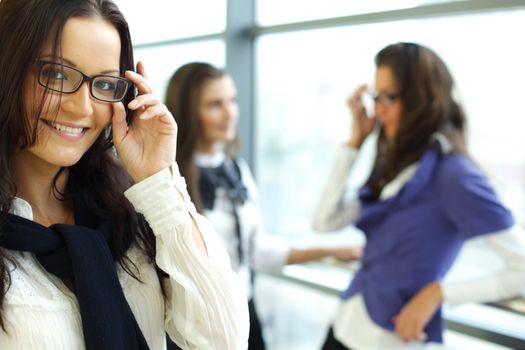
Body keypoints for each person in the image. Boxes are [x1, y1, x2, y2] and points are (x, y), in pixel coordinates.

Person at [0, 1, 249, 349]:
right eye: (56, 74)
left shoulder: (126, 213)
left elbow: (223, 340)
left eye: (103, 84)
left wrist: (158, 179)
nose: (82, 107)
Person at [312, 42, 525, 349]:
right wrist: (355, 142)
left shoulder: (454, 174)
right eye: (376, 96)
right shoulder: (399, 165)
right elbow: (324, 221)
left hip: (390, 338)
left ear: (422, 99)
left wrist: (438, 293)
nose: (379, 108)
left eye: (390, 97)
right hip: (345, 324)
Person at [164, 62, 363, 349]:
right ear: (188, 112)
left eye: (232, 100)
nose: (230, 113)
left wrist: (333, 251)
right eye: (215, 104)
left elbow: (256, 251)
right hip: (190, 324)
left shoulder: (237, 170)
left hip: (243, 311)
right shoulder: (169, 178)